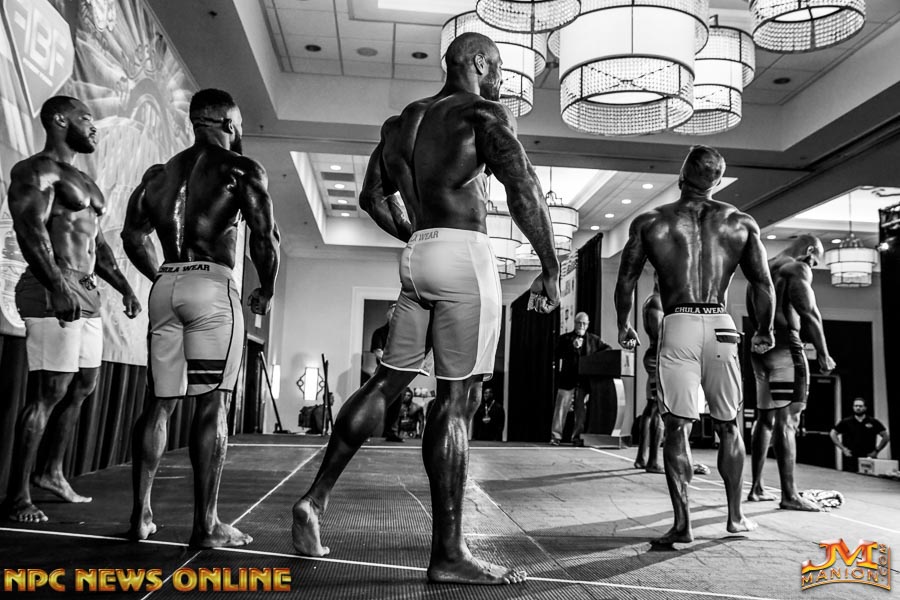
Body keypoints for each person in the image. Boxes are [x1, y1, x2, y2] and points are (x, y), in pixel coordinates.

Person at [292, 32, 560, 585]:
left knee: (386, 382)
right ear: (478, 62)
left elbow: (371, 197)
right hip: (464, 256)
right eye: (498, 68)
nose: (501, 80)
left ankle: (314, 499)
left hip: (417, 257)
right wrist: (551, 265)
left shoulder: (401, 123)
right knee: (458, 399)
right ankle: (449, 555)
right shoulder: (483, 114)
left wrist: (417, 238)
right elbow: (524, 188)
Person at [121, 88, 279, 547]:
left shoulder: (158, 175)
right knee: (212, 403)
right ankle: (206, 526)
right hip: (211, 287)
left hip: (166, 285)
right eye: (240, 125)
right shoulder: (240, 169)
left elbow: (132, 236)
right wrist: (267, 289)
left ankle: (140, 516)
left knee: (159, 403)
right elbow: (264, 238)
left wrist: (162, 275)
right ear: (229, 124)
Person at [614, 145, 776, 545]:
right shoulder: (740, 222)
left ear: (681, 177)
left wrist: (623, 324)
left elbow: (627, 280)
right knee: (729, 424)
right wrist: (765, 329)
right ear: (717, 182)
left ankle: (682, 525)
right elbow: (762, 284)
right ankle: (735, 517)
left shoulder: (652, 220)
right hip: (721, 324)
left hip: (679, 323)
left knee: (677, 425)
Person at [3, 96, 141, 523]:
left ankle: (51, 472)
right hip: (52, 286)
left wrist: (124, 287)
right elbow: (30, 229)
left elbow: (98, 244)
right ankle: (18, 496)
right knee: (49, 391)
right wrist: (56, 285)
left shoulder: (85, 182)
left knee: (83, 384)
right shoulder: (36, 170)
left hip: (86, 289)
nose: (93, 126)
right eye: (86, 118)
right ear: (60, 120)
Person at [747, 235, 836, 510]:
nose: (812, 265)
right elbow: (809, 313)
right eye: (815, 260)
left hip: (760, 349)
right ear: (809, 250)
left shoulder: (763, 266)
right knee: (788, 420)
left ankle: (757, 488)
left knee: (765, 418)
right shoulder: (796, 267)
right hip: (787, 347)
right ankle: (790, 495)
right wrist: (823, 353)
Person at [550, 311, 610, 447]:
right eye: (579, 323)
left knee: (581, 411)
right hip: (567, 380)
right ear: (575, 323)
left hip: (584, 381)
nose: (581, 325)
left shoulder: (594, 340)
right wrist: (571, 346)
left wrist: (596, 362)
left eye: (584, 323)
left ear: (588, 325)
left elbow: (607, 349)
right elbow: (557, 353)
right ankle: (555, 437)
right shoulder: (565, 338)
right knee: (561, 409)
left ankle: (577, 437)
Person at [633, 278, 664, 473]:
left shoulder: (652, 301)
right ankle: (652, 460)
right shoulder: (656, 301)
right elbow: (661, 337)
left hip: (654, 356)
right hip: (658, 358)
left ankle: (642, 457)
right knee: (659, 408)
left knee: (651, 407)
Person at [830, 398, 890, 473]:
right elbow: (833, 433)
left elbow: (886, 437)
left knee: (869, 478)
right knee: (851, 478)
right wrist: (843, 449)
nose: (858, 408)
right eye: (856, 406)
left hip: (868, 457)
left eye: (860, 406)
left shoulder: (873, 421)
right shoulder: (846, 422)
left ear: (865, 408)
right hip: (851, 457)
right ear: (853, 407)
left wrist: (876, 451)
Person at [371, 303, 403, 442]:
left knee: (397, 403)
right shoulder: (379, 332)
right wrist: (393, 360)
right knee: (375, 402)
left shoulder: (402, 335)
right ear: (389, 315)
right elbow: (378, 352)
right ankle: (366, 432)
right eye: (394, 313)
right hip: (383, 372)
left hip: (398, 372)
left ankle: (390, 432)